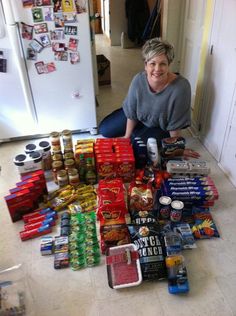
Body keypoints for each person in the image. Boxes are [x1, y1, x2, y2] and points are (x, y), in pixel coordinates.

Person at [98, 38, 199, 159]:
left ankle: (143, 132)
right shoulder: (138, 80)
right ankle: (138, 129)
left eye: (163, 64)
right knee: (105, 130)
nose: (157, 69)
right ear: (145, 65)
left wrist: (176, 148)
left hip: (161, 125)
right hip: (139, 115)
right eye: (152, 63)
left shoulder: (181, 87)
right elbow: (131, 113)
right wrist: (126, 137)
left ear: (169, 65)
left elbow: (175, 123)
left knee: (137, 146)